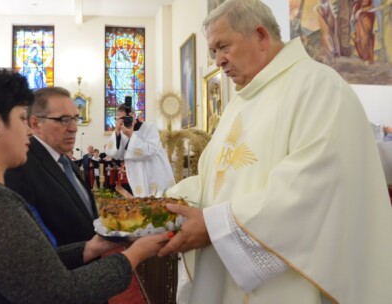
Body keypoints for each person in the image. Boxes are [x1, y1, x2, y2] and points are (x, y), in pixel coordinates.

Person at [158, 1, 392, 303]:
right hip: (224, 273)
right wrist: (172, 204)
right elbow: (212, 179)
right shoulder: (239, 102)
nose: (218, 61)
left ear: (260, 36)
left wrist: (215, 227)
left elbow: (312, 191)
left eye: (222, 47)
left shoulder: (318, 87)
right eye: (213, 51)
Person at [0, 67, 170, 303]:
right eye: (22, 119)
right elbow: (56, 293)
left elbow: (28, 267)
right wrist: (135, 255)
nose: (28, 131)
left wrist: (91, 247)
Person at [5, 87, 98, 246]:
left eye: (75, 118)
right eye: (64, 120)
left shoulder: (65, 160)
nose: (74, 128)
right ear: (36, 124)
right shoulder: (22, 166)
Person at [105, 103, 175, 197]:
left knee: (158, 200)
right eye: (120, 118)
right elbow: (116, 154)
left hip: (154, 173)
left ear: (134, 115)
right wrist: (117, 132)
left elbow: (150, 151)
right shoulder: (122, 131)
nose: (124, 121)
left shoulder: (149, 127)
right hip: (136, 174)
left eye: (126, 117)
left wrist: (130, 135)